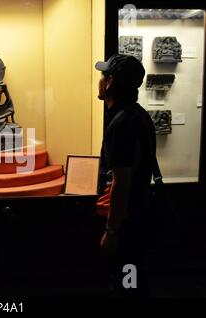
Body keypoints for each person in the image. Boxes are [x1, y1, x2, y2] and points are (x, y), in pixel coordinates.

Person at [95, 54, 156, 297]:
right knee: (132, 276)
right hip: (137, 214)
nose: (98, 81)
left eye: (102, 76)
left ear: (109, 82)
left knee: (126, 278)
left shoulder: (121, 124)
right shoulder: (137, 114)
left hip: (127, 222)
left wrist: (111, 231)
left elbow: (122, 182)